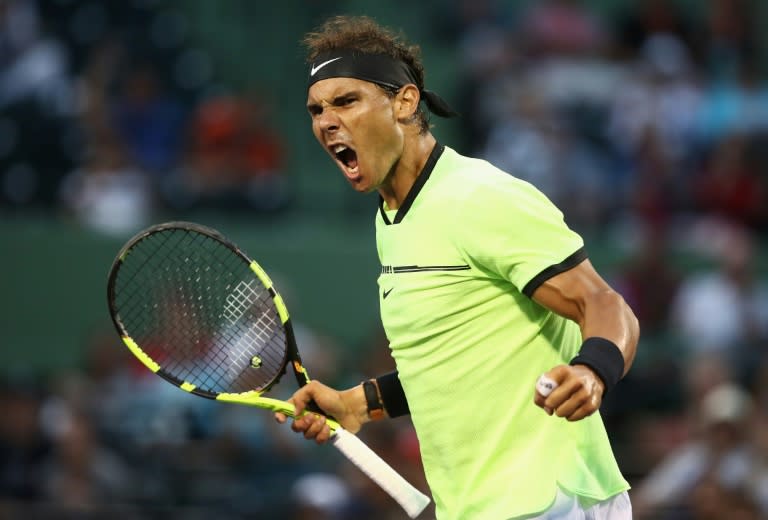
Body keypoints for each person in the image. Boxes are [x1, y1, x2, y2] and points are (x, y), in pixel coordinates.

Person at [274, 15, 640, 520]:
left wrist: (591, 372)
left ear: (404, 102)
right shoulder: (393, 219)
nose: (326, 121)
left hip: (553, 500)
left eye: (346, 101)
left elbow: (602, 302)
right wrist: (357, 404)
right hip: (478, 506)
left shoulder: (480, 197)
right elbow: (450, 364)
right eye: (316, 109)